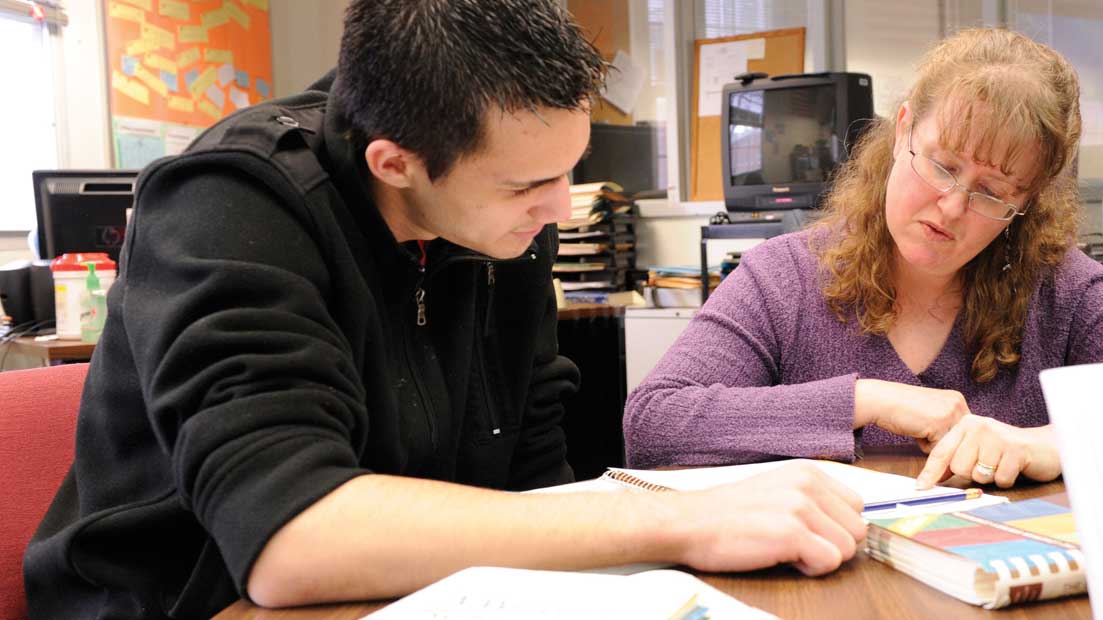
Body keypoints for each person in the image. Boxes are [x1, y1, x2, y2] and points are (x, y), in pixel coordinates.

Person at [24, 2, 865, 618]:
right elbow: (290, 539)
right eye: (530, 184)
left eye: (566, 172)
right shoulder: (231, 203)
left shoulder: (497, 220)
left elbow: (533, 469)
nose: (562, 210)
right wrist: (680, 522)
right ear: (394, 164)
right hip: (181, 601)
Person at [623, 28, 1103, 489]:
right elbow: (652, 424)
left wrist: (1053, 442)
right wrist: (868, 399)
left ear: (1027, 202)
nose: (952, 206)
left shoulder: (1062, 290)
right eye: (942, 165)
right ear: (904, 127)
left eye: (993, 192)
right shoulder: (783, 277)